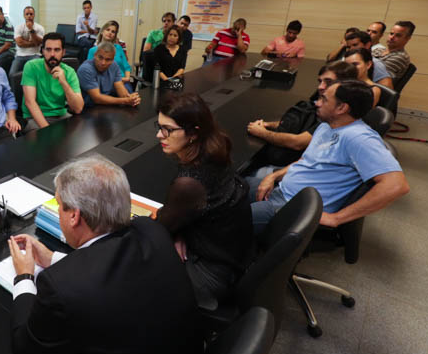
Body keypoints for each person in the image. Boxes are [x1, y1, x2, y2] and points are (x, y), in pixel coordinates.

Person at [7, 155, 205, 354]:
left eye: (59, 205)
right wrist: (54, 258)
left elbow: (27, 350)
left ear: (74, 217)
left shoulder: (61, 287)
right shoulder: (151, 231)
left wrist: (24, 276)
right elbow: (108, 274)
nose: (58, 211)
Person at [250, 80, 409, 233]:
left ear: (341, 108)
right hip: (281, 188)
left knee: (230, 217)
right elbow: (306, 161)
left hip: (293, 206)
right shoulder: (326, 126)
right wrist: (274, 177)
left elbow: (396, 185)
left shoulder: (359, 138)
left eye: (324, 100)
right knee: (234, 189)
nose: (317, 103)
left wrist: (336, 218)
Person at [154, 93, 253, 310]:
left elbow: (158, 228)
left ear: (193, 133)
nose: (159, 135)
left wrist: (172, 231)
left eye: (167, 129)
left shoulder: (189, 183)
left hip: (210, 274)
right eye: (159, 126)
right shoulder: (215, 147)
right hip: (231, 256)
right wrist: (178, 231)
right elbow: (188, 213)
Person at [247, 61, 358, 172]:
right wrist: (269, 124)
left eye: (328, 82)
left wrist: (262, 133)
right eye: (320, 81)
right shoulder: (322, 103)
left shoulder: (335, 115)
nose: (320, 87)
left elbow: (298, 143)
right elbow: (302, 122)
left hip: (292, 167)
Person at [21, 32, 83, 130]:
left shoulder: (69, 72)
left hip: (61, 115)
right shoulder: (31, 66)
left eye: (57, 50)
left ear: (63, 52)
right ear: (43, 51)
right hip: (36, 117)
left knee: (80, 136)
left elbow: (78, 108)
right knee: (48, 142)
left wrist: (64, 82)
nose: (52, 54)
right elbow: (30, 102)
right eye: (48, 50)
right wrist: (47, 131)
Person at [77, 42, 140, 108]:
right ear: (95, 55)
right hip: (87, 108)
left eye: (108, 59)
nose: (103, 63)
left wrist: (132, 99)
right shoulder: (86, 69)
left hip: (104, 106)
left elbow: (120, 89)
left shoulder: (114, 66)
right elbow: (97, 98)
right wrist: (125, 100)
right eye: (100, 57)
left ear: (113, 59)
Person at [86, 20, 131, 85]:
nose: (110, 33)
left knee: (131, 94)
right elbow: (90, 71)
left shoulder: (118, 47)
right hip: (104, 82)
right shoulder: (93, 50)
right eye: (108, 30)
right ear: (102, 31)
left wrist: (127, 78)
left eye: (113, 32)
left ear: (114, 35)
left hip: (123, 81)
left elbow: (126, 66)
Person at [11, 6, 45, 76]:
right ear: (24, 15)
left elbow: (39, 43)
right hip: (20, 55)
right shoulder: (18, 27)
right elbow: (20, 43)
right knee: (12, 74)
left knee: (34, 74)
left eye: (31, 14)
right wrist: (34, 43)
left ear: (34, 15)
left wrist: (31, 30)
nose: (29, 16)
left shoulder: (40, 28)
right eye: (27, 14)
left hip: (34, 54)